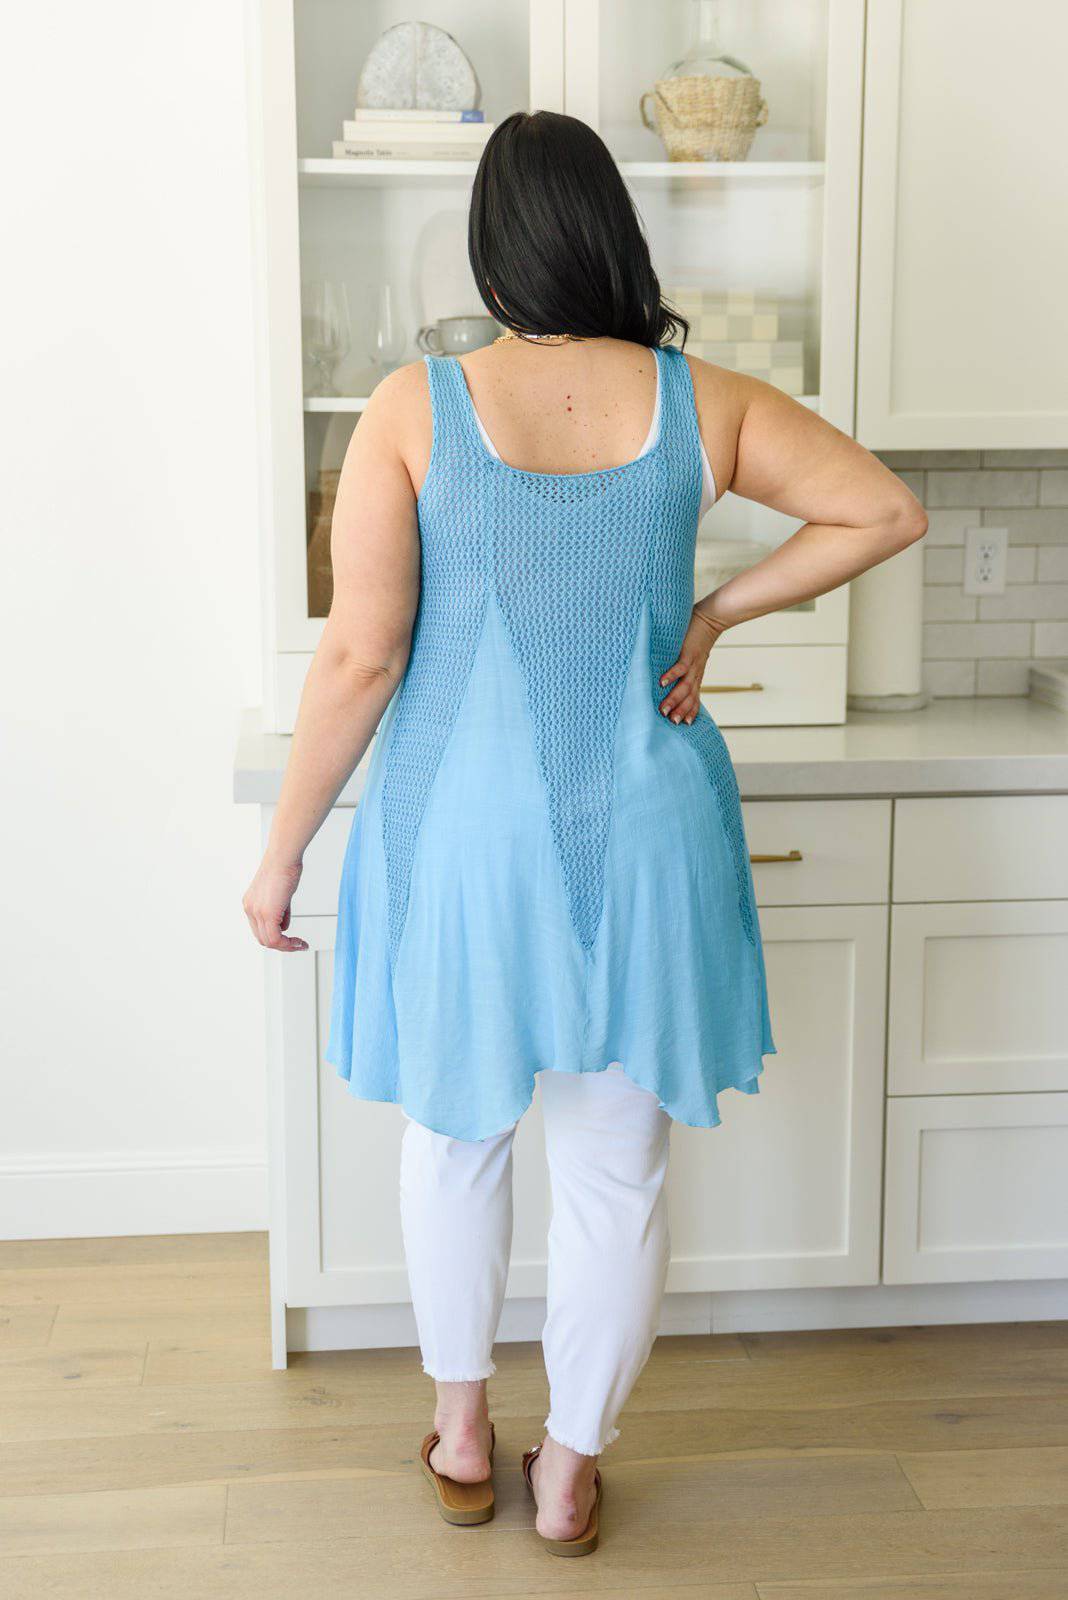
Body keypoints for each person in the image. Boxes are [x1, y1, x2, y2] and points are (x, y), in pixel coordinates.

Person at [243, 109, 926, 1556]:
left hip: (462, 838)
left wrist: (283, 849)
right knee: (615, 1174)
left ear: (491, 253)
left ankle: (461, 1434)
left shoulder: (413, 407)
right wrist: (716, 612)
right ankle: (569, 1470)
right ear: (613, 235)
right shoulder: (703, 401)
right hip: (650, 835)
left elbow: (361, 655)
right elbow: (880, 510)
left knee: (456, 1142)